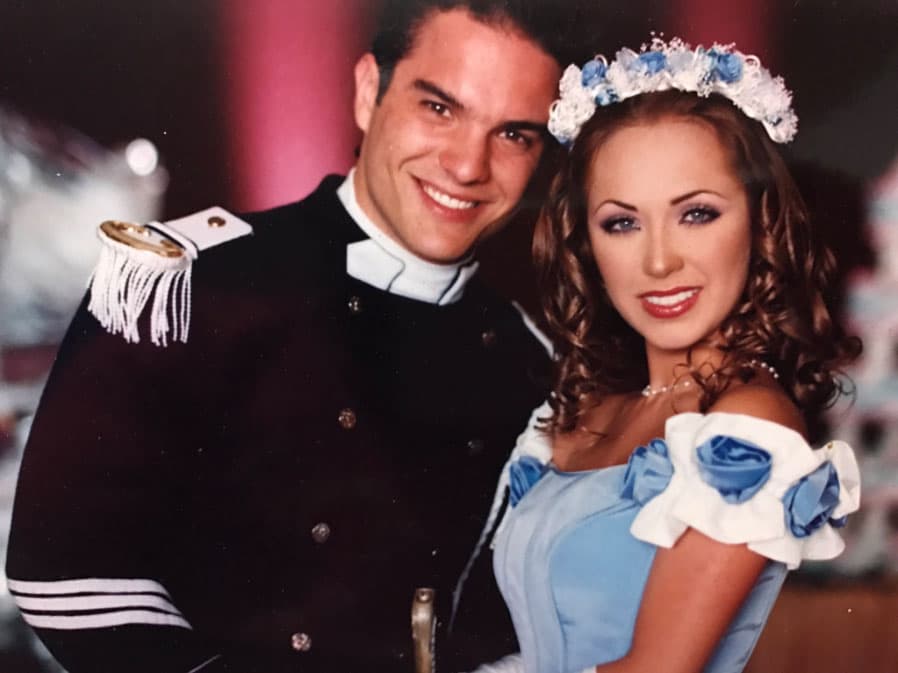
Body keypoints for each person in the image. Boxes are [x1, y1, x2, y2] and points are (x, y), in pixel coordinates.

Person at [5, 3, 577, 672]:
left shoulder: (526, 357)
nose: (468, 165)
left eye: (513, 135)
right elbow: (63, 570)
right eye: (439, 108)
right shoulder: (187, 283)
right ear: (368, 91)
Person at [486, 37, 863, 673]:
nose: (659, 261)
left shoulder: (747, 431)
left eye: (696, 214)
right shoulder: (583, 415)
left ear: (759, 222)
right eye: (622, 223)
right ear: (587, 243)